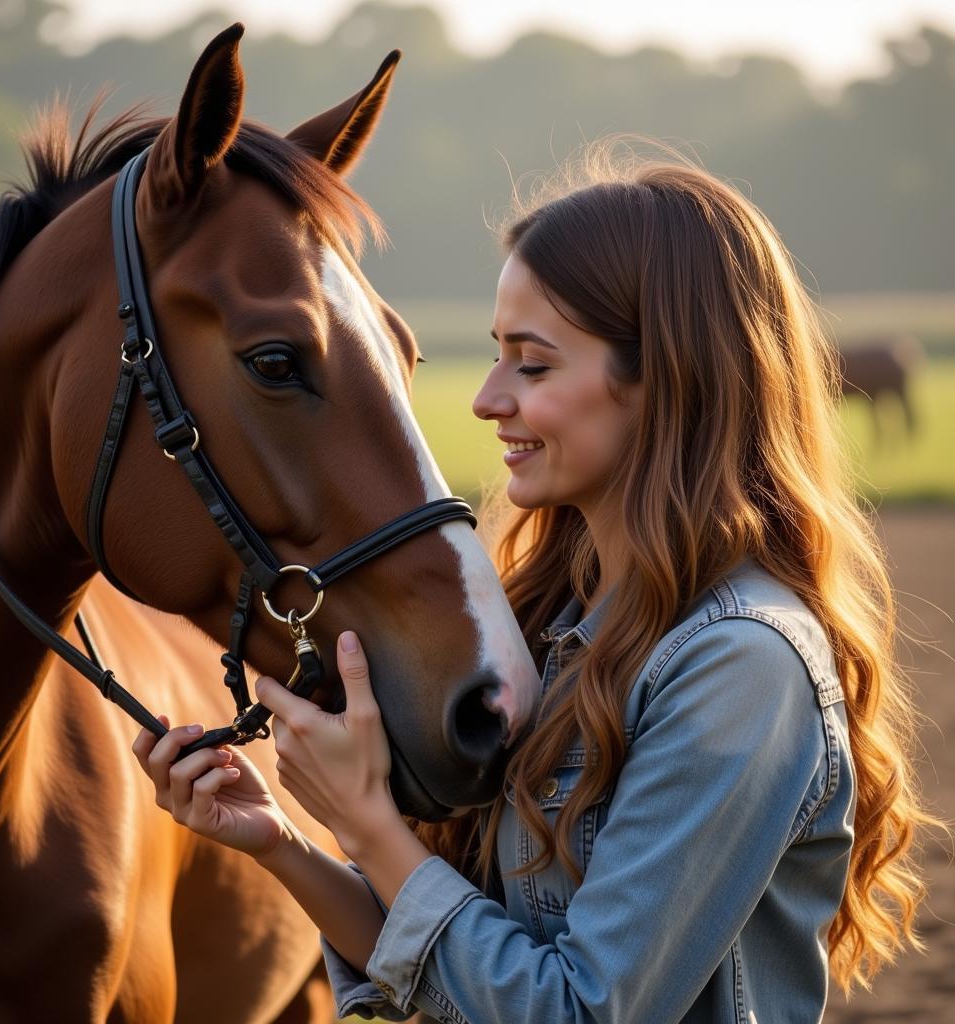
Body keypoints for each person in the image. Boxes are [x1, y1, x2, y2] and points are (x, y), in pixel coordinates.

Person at [134, 148, 936, 1023]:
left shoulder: (742, 667)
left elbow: (580, 1011)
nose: (485, 398)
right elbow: (459, 961)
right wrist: (281, 844)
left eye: (533, 364)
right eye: (496, 356)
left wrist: (366, 822)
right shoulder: (550, 628)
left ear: (663, 379)